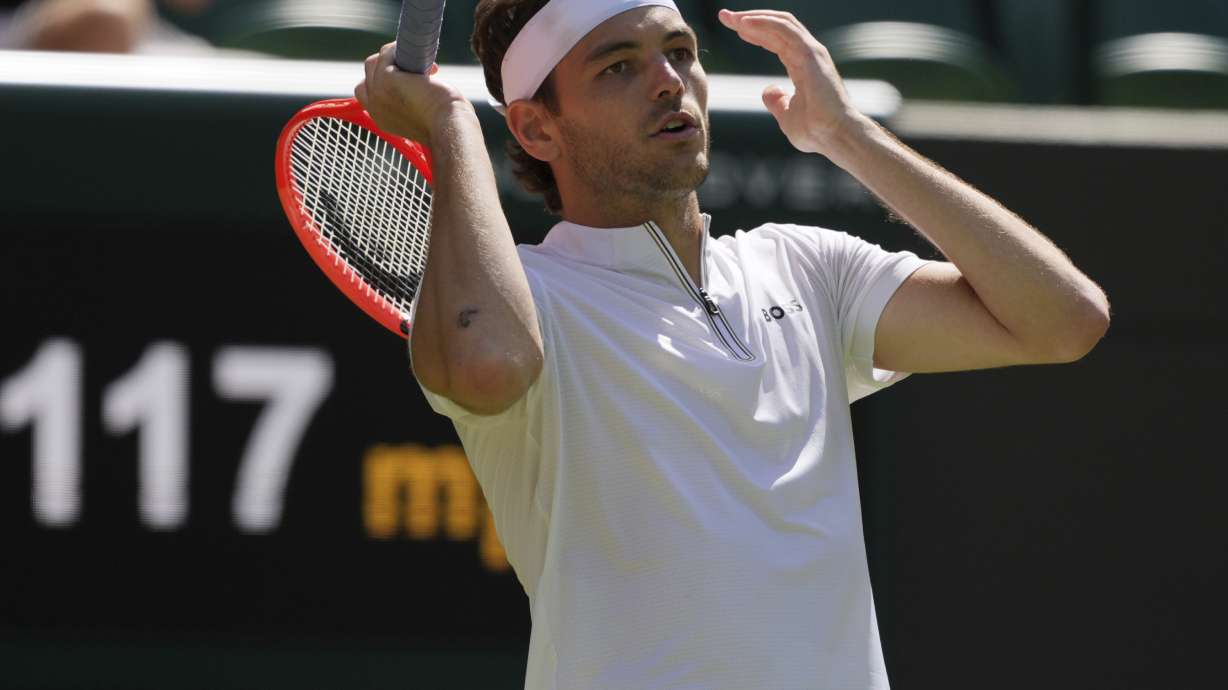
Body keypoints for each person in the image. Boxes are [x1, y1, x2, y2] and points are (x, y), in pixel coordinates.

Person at [355, 1, 1110, 687]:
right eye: (619, 65)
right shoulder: (520, 300)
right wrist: (450, 125)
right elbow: (486, 365)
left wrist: (847, 136)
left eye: (680, 52)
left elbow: (1063, 319)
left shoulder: (807, 267)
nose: (667, 81)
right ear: (534, 127)